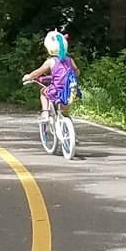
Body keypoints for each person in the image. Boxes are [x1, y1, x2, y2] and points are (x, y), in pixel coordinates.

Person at [24, 29, 79, 158]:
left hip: (55, 90)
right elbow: (77, 72)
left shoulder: (51, 62)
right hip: (70, 91)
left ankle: (45, 113)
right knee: (65, 113)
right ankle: (72, 136)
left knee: (43, 92)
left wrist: (29, 77)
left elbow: (38, 72)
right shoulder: (70, 60)